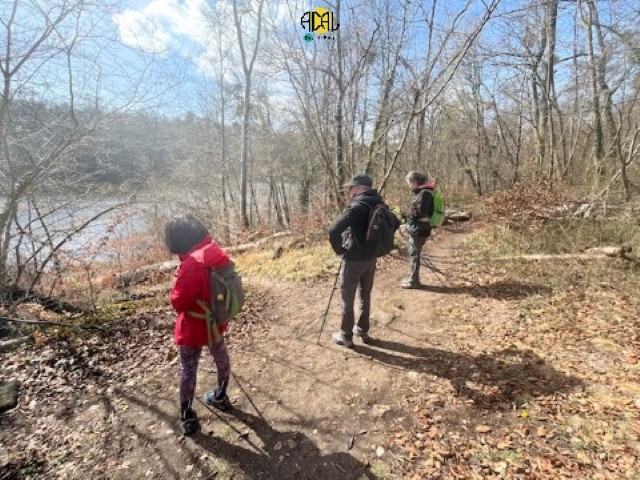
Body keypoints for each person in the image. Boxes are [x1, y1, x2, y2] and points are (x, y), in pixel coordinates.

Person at [165, 215, 233, 436]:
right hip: (216, 320)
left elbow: (178, 302)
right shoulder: (214, 251)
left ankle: (186, 414)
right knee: (221, 358)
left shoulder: (191, 264)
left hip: (194, 326)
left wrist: (176, 279)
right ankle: (221, 396)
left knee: (188, 368)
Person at [328, 174, 385, 348]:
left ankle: (345, 335)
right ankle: (362, 329)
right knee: (365, 295)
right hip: (371, 258)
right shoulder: (379, 203)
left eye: (351, 187)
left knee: (347, 297)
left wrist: (340, 250)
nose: (349, 191)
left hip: (353, 260)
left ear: (361, 188)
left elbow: (333, 230)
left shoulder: (356, 207)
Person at [401, 171, 436, 289]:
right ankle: (413, 279)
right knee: (414, 254)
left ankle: (414, 281)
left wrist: (405, 212)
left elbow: (419, 212)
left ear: (415, 182)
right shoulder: (424, 192)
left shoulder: (424, 194)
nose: (408, 186)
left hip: (419, 229)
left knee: (414, 255)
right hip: (420, 228)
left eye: (409, 183)